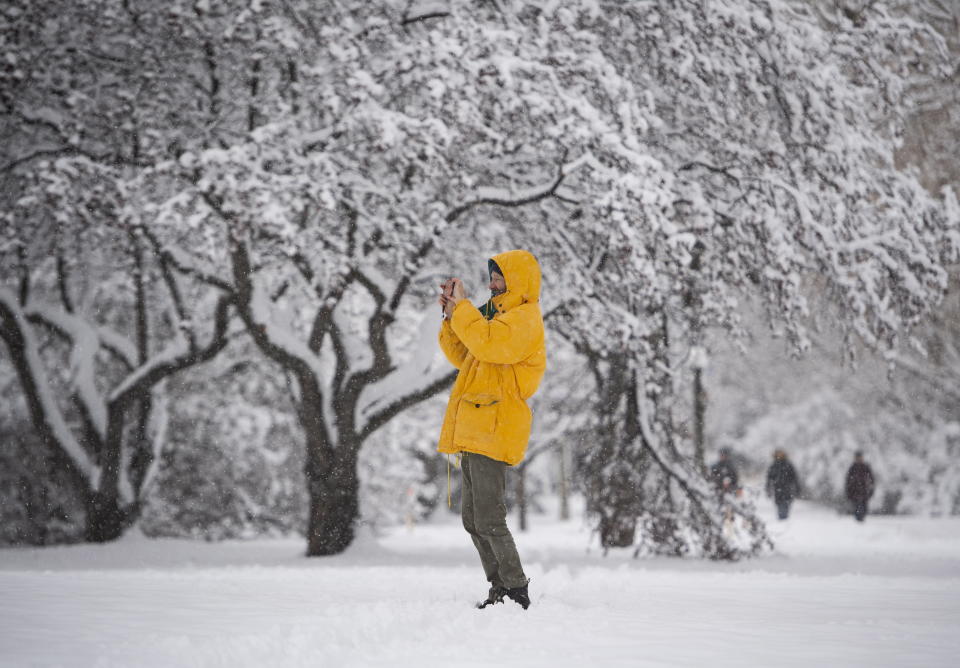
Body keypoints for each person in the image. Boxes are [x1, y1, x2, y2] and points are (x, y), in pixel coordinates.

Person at [437, 250, 546, 610]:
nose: (491, 284)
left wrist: (466, 309)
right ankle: (500, 587)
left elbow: (488, 343)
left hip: (495, 428)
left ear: (515, 281)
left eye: (497, 279)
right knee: (472, 519)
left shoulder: (524, 319)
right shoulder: (493, 317)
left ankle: (515, 588)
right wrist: (452, 315)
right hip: (477, 427)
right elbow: (464, 354)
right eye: (492, 278)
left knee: (488, 517)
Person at [765, 449, 800, 520]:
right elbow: (769, 479)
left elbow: (794, 477)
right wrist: (768, 489)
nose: (779, 455)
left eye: (780, 454)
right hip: (777, 488)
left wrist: (797, 488)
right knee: (779, 504)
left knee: (786, 503)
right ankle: (782, 518)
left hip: (787, 488)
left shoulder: (788, 465)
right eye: (778, 454)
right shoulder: (773, 465)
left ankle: (784, 517)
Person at [845, 451, 875, 522]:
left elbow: (871, 480)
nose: (859, 459)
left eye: (860, 457)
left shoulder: (865, 467)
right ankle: (858, 520)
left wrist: (871, 490)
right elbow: (848, 481)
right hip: (854, 492)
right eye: (857, 457)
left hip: (864, 492)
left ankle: (861, 520)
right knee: (857, 507)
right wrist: (849, 492)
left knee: (864, 508)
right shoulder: (852, 468)